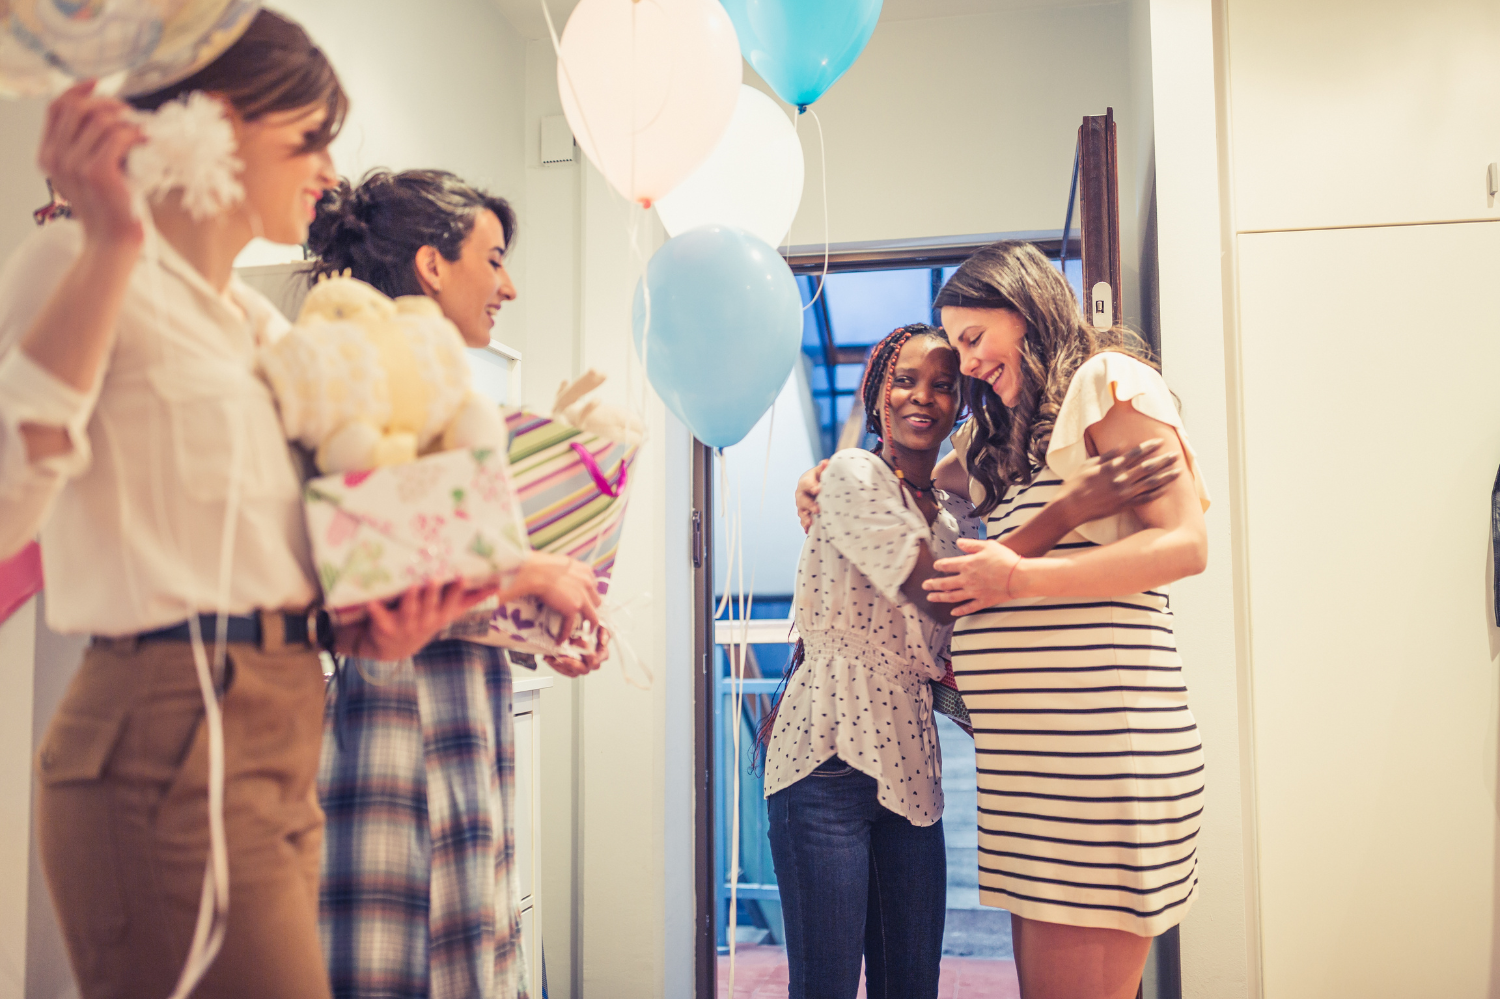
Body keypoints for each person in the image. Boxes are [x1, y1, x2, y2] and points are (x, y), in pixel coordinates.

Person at [0, 13, 497, 997]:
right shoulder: (76, 266)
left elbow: (260, 550)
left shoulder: (254, 324)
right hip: (161, 743)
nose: (328, 166)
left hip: (277, 730)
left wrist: (365, 625)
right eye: (308, 136)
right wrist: (108, 242)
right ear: (217, 124)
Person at [767, 323, 1177, 999]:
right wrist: (1071, 507)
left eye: (943, 384)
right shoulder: (851, 475)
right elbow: (939, 598)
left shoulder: (957, 514)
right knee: (827, 988)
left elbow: (969, 638)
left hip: (912, 773)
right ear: (876, 395)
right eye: (904, 380)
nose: (921, 396)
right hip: (825, 764)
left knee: (912, 986)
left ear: (962, 403)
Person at [306, 169, 605, 999]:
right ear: (434, 266)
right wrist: (525, 571)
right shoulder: (353, 377)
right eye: (494, 259)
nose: (508, 285)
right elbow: (357, 558)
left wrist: (550, 622)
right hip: (390, 725)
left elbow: (454, 581)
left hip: (461, 719)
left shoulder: (453, 402)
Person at [923, 241, 1209, 998]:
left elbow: (1185, 544)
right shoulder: (1003, 438)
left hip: (1100, 760)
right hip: (1032, 770)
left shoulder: (1106, 382)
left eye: (973, 338)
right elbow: (915, 470)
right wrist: (829, 475)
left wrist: (1017, 578)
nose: (969, 362)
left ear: (1024, 310)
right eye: (958, 345)